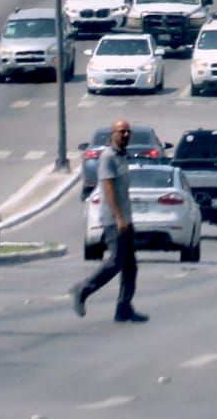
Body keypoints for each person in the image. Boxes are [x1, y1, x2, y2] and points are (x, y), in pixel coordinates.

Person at [71, 118, 147, 323]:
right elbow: (108, 188)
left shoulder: (122, 156)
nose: (125, 135)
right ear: (112, 134)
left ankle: (124, 307)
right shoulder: (108, 157)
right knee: (115, 262)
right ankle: (82, 289)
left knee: (130, 266)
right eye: (121, 131)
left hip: (125, 218)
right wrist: (119, 217)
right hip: (114, 220)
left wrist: (127, 218)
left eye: (127, 132)